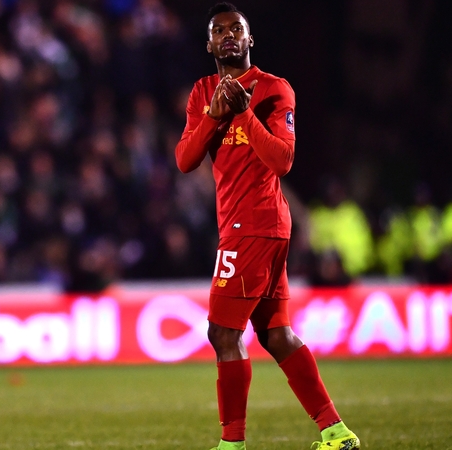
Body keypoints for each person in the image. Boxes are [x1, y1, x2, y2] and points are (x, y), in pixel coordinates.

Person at [174, 3, 360, 450]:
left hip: (254, 223)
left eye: (236, 29)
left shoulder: (275, 89)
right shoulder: (202, 92)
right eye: (218, 31)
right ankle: (336, 432)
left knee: (222, 333)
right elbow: (185, 161)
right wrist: (215, 115)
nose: (228, 36)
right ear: (209, 44)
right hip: (249, 225)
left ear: (250, 39)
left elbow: (282, 160)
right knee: (277, 335)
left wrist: (242, 114)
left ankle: (232, 445)